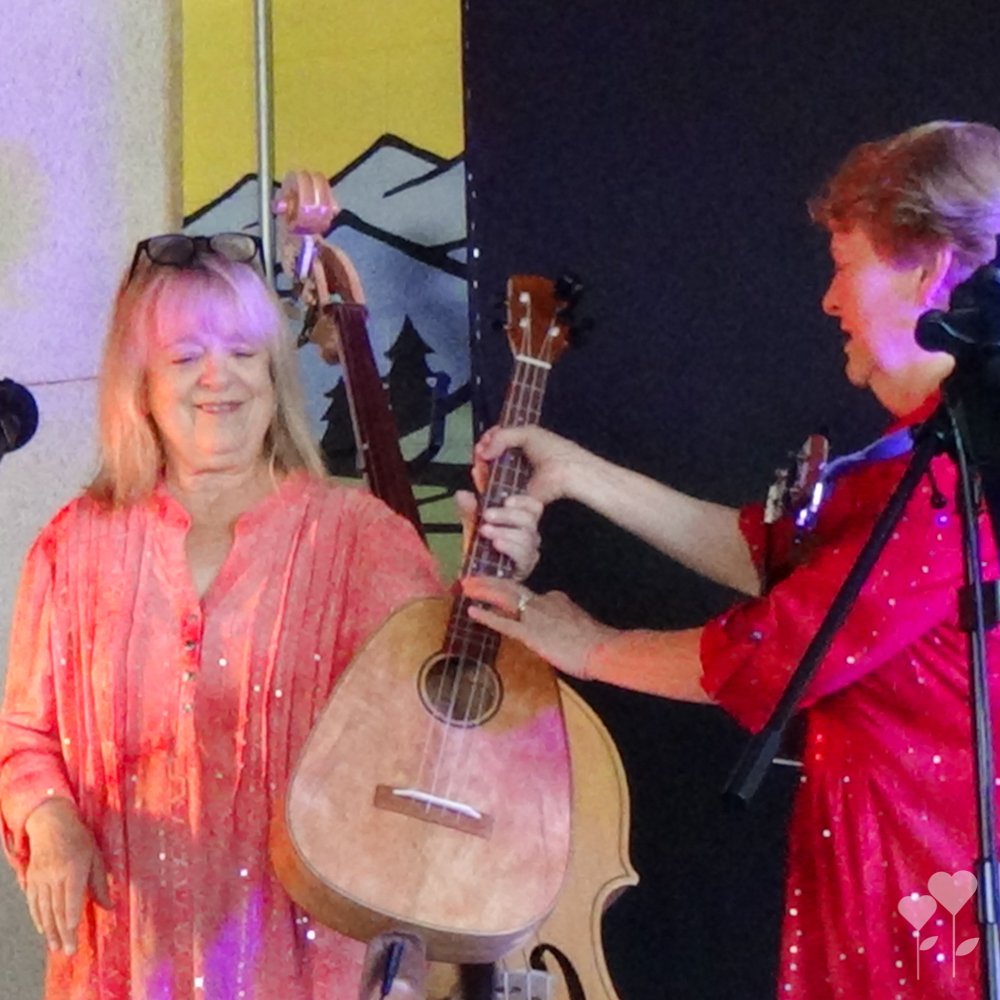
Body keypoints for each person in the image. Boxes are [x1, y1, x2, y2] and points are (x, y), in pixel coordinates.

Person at [462, 120, 1000, 998]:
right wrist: (581, 473)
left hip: (928, 901)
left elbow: (768, 651)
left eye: (845, 263)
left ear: (931, 269)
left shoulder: (953, 485)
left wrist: (585, 642)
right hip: (883, 878)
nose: (829, 301)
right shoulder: (912, 465)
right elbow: (775, 558)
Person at [0, 233, 542, 999]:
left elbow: (442, 738)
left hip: (307, 968)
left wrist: (500, 589)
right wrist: (50, 821)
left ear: (275, 372)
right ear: (141, 384)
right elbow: (25, 737)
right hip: (121, 959)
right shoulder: (74, 545)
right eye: (186, 357)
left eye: (243, 353)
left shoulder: (360, 542)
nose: (218, 379)